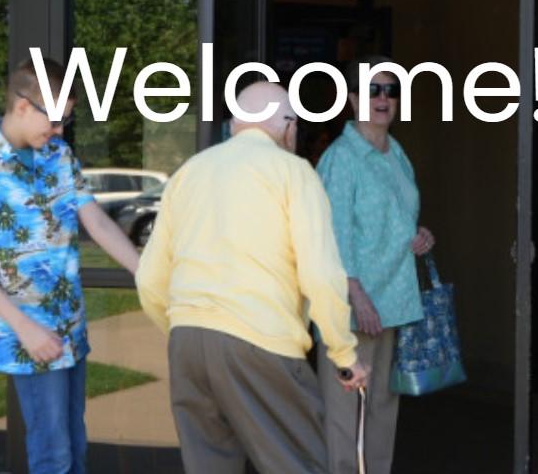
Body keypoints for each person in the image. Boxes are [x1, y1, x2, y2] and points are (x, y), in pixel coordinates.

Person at [136, 81, 369, 474]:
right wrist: (344, 355)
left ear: (235, 125)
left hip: (188, 343)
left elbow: (149, 280)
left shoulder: (189, 172)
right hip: (261, 342)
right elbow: (321, 274)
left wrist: (188, 330)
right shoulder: (293, 172)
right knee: (300, 463)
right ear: (289, 126)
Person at [0, 59, 140, 474]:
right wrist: (25, 328)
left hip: (68, 324)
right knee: (52, 456)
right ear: (22, 106)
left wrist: (144, 271)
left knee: (74, 447)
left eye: (65, 121)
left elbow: (97, 222)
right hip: (28, 334)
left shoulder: (59, 155)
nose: (59, 130)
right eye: (55, 120)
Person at [316, 60, 435, 474]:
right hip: (355, 306)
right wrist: (355, 293)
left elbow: (395, 216)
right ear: (352, 100)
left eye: (390, 91)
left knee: (384, 408)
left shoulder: (396, 152)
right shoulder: (341, 158)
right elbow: (332, 234)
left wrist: (419, 234)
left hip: (395, 300)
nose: (383, 99)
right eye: (373, 90)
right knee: (345, 412)